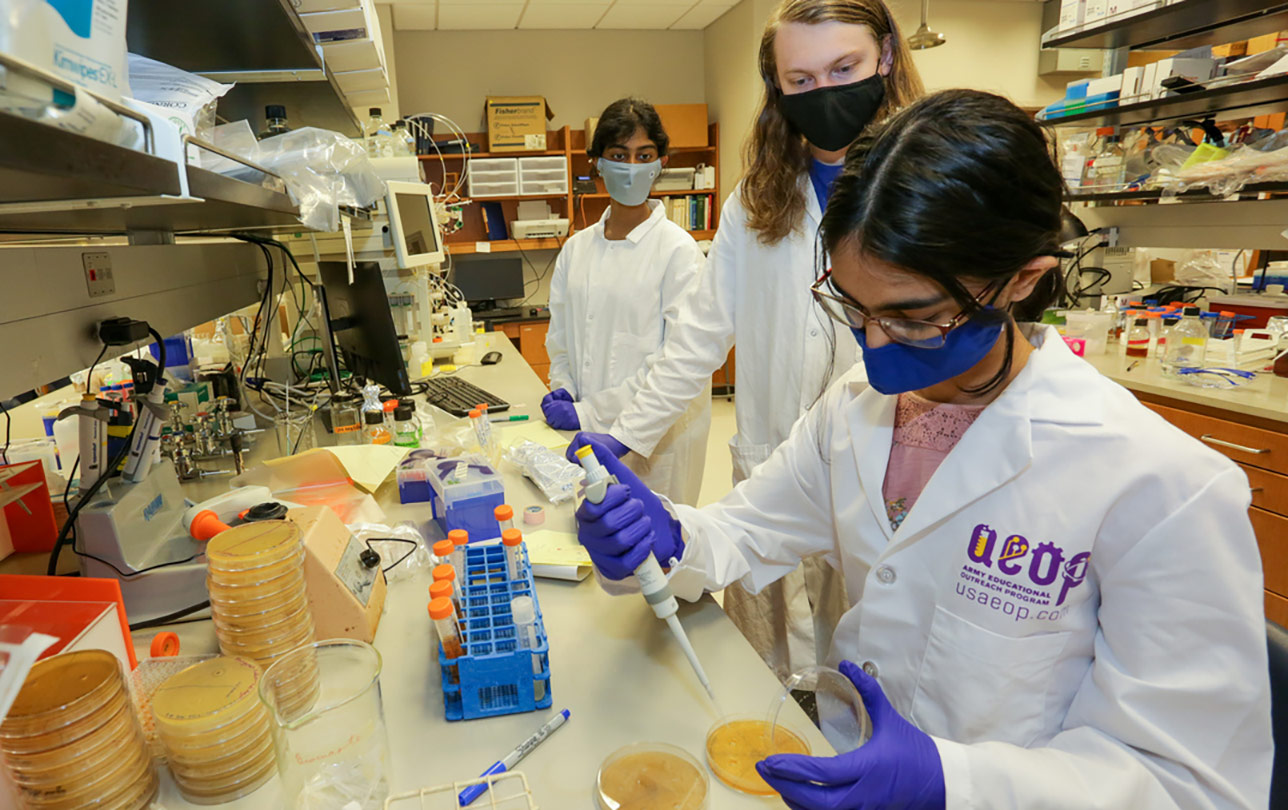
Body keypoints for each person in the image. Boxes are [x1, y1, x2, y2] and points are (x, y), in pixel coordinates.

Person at [574, 89, 1271, 809]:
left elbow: (1196, 786)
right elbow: (745, 531)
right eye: (854, 306)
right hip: (843, 766)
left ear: (1022, 278)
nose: (873, 347)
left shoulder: (1162, 486)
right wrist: (664, 535)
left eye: (915, 317)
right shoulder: (855, 411)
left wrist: (952, 783)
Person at [573, 0, 926, 684]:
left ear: (885, 57)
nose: (823, 92)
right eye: (800, 79)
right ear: (777, 89)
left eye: (844, 67)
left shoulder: (925, 187)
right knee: (773, 671)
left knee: (871, 670)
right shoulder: (757, 200)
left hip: (892, 471)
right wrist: (625, 434)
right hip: (772, 467)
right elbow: (697, 341)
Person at [541, 98, 710, 504]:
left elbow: (675, 363)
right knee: (597, 549)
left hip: (658, 441)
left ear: (661, 162)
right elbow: (560, 339)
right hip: (587, 439)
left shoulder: (678, 252)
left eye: (643, 155)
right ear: (597, 163)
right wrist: (563, 388)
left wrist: (589, 413)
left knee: (657, 554)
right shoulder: (576, 249)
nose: (631, 167)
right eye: (619, 155)